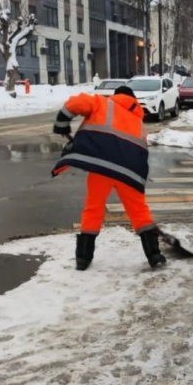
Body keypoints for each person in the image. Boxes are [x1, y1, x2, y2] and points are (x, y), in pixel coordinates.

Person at [51, 86, 166, 271]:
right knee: (139, 211)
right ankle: (154, 255)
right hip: (129, 172)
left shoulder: (102, 103)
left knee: (93, 208)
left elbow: (75, 103)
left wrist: (61, 124)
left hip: (102, 167)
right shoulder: (139, 123)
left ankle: (83, 258)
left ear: (116, 96)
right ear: (134, 101)